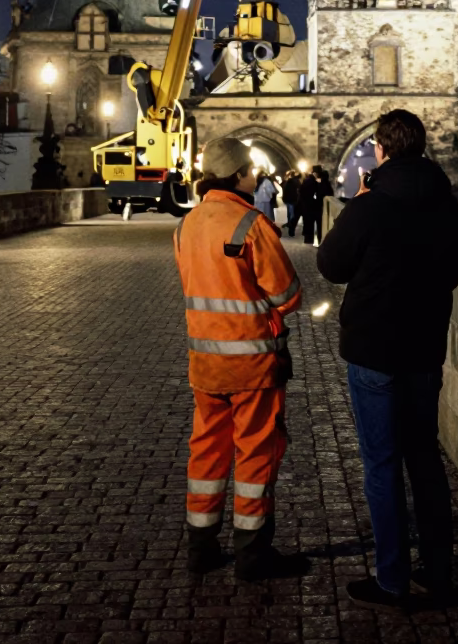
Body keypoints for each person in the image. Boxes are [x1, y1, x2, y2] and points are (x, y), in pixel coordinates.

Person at [316, 109, 458, 611]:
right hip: (424, 349)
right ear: (421, 148)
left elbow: (331, 266)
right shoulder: (446, 204)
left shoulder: (371, 203)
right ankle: (439, 572)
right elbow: (453, 272)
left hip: (375, 351)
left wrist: (355, 206)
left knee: (382, 464)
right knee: (424, 459)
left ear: (380, 150)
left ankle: (392, 579)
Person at [173, 137, 308, 581]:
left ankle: (201, 547)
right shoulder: (249, 224)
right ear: (238, 176)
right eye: (250, 169)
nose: (256, 174)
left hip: (204, 362)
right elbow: (287, 295)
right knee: (255, 453)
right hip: (252, 362)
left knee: (207, 453)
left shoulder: (186, 225)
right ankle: (252, 553)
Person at [281, 170, 302, 238]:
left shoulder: (288, 182)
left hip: (288, 199)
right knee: (292, 214)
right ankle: (290, 225)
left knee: (289, 212)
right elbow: (299, 190)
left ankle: (289, 223)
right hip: (292, 200)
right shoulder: (296, 182)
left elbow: (284, 188)